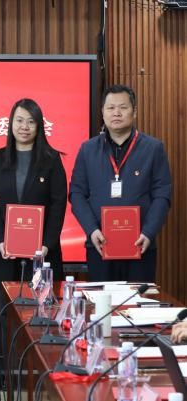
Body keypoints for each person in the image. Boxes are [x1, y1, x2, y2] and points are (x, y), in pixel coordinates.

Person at [69, 85, 172, 282]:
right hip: (100, 245)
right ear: (102, 112)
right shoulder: (87, 150)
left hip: (140, 245)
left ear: (134, 111)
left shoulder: (153, 149)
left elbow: (162, 195)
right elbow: (76, 193)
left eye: (123, 107)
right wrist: (92, 230)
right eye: (110, 108)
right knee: (102, 301)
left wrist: (148, 232)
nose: (116, 113)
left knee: (138, 300)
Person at [0, 99, 67, 307]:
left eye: (31, 121)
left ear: (39, 126)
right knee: (7, 315)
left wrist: (46, 245)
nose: (24, 127)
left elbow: (58, 204)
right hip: (5, 254)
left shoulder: (52, 159)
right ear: (11, 123)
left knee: (41, 315)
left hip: (42, 254)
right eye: (19, 120)